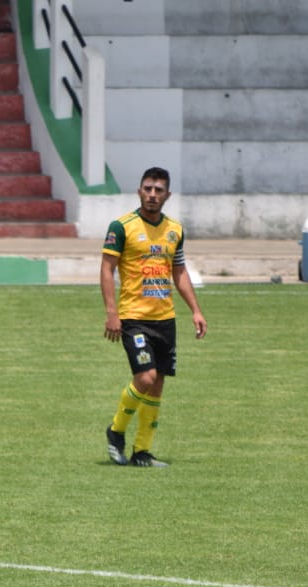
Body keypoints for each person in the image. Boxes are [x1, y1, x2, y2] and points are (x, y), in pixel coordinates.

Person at [101, 166, 206, 468]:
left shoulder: (175, 230)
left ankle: (142, 452)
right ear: (139, 191)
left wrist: (196, 311)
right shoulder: (121, 227)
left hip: (165, 319)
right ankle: (116, 429)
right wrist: (112, 313)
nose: (152, 194)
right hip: (133, 317)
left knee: (157, 384)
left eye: (158, 190)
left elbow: (180, 272)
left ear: (167, 195)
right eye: (148, 188)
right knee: (145, 378)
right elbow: (107, 269)